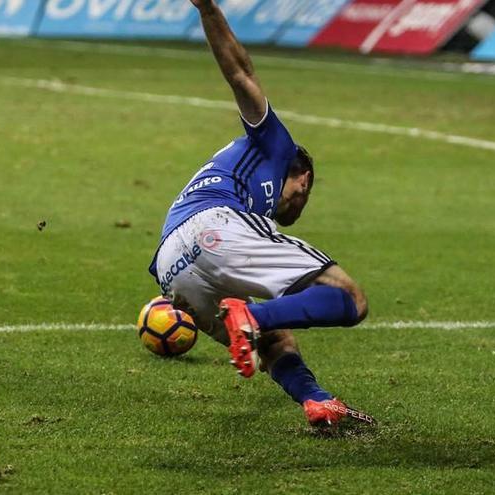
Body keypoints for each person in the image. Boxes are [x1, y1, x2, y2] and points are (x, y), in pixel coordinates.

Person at [149, 0, 373, 427]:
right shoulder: (275, 144)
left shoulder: (229, 173)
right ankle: (251, 315)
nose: (296, 208)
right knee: (349, 298)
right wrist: (209, 9)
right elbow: (240, 73)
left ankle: (318, 402)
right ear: (303, 178)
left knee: (273, 343)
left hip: (169, 264)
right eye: (302, 197)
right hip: (214, 226)